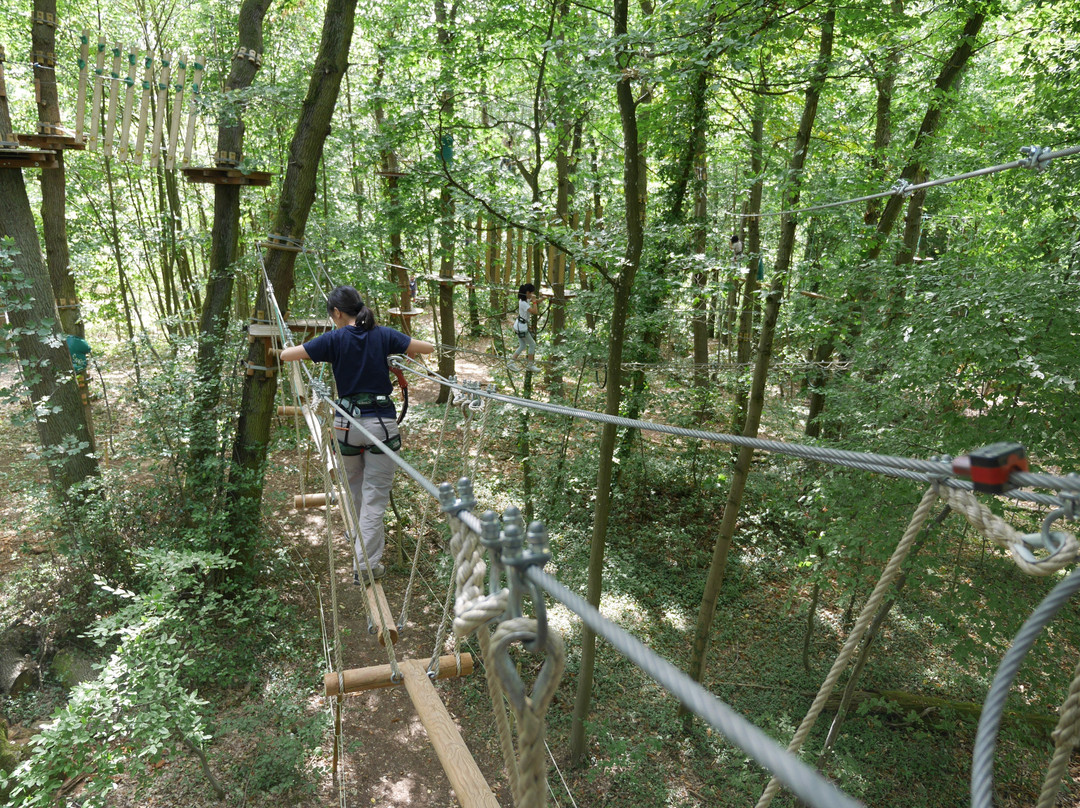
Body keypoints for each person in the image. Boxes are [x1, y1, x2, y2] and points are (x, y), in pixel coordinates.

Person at [280, 286, 434, 582]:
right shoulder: (384, 334)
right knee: (376, 495)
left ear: (337, 313)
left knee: (354, 487)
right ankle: (365, 565)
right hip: (381, 425)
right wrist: (392, 356)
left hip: (347, 426)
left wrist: (319, 347)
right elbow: (426, 348)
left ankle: (360, 541)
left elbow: (288, 355)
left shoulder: (333, 339)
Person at [509, 283, 541, 372]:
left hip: (519, 325)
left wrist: (541, 299)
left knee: (522, 345)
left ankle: (511, 362)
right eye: (531, 293)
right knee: (532, 344)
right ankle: (530, 365)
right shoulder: (523, 303)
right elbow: (535, 311)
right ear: (527, 292)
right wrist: (534, 301)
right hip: (521, 327)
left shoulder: (525, 299)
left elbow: (535, 301)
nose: (532, 294)